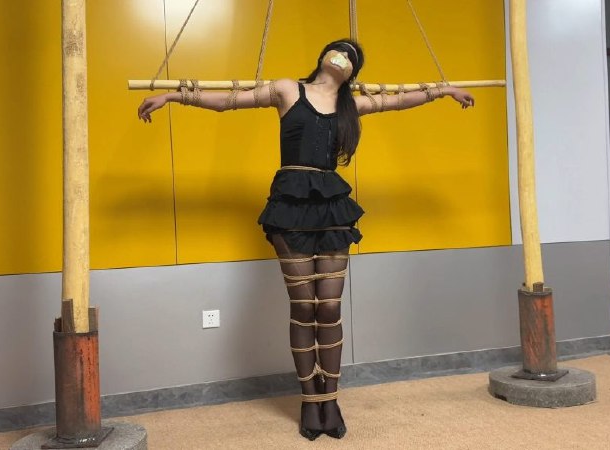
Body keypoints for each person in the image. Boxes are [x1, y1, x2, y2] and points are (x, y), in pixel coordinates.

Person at [137, 39, 474, 441]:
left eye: (351, 56)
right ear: (323, 56)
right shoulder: (287, 90)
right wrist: (174, 96)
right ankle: (309, 400)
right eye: (338, 49)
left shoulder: (351, 107)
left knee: (328, 308)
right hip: (290, 204)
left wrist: (444, 90)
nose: (343, 56)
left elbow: (399, 101)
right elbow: (229, 101)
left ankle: (330, 399)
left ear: (353, 72)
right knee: (303, 307)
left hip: (331, 207)